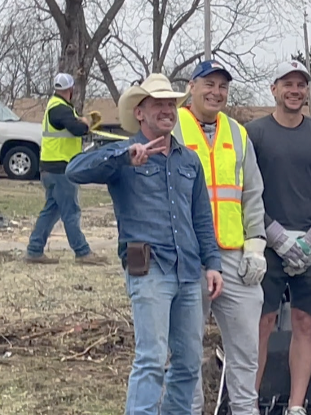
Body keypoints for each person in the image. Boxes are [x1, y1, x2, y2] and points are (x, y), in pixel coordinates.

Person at [65, 73, 224, 414]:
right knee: (151, 359)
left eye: (171, 104)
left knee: (188, 362)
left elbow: (201, 218)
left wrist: (213, 264)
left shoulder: (189, 160)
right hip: (149, 269)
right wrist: (124, 156)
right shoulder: (122, 154)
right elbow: (74, 170)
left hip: (188, 272)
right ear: (139, 112)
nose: (167, 110)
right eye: (158, 104)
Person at [172, 61, 267, 415]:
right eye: (208, 84)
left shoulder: (238, 134)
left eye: (222, 87)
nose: (216, 92)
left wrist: (255, 247)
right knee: (186, 349)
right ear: (191, 86)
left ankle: (245, 410)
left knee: (245, 351)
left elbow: (252, 194)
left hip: (233, 258)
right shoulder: (173, 126)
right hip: (188, 256)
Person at [248, 60, 311, 415]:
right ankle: (248, 402)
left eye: (301, 85)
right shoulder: (253, 134)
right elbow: (245, 192)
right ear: (274, 89)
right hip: (266, 244)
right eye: (287, 84)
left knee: (305, 322)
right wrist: (276, 236)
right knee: (263, 323)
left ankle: (296, 405)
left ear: (308, 92)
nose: (294, 90)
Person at [25, 73, 105, 265]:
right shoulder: (60, 109)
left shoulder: (54, 107)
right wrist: (86, 123)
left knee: (52, 210)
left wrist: (83, 122)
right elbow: (77, 129)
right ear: (70, 89)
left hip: (50, 167)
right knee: (71, 211)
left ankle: (34, 250)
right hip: (60, 168)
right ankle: (82, 252)